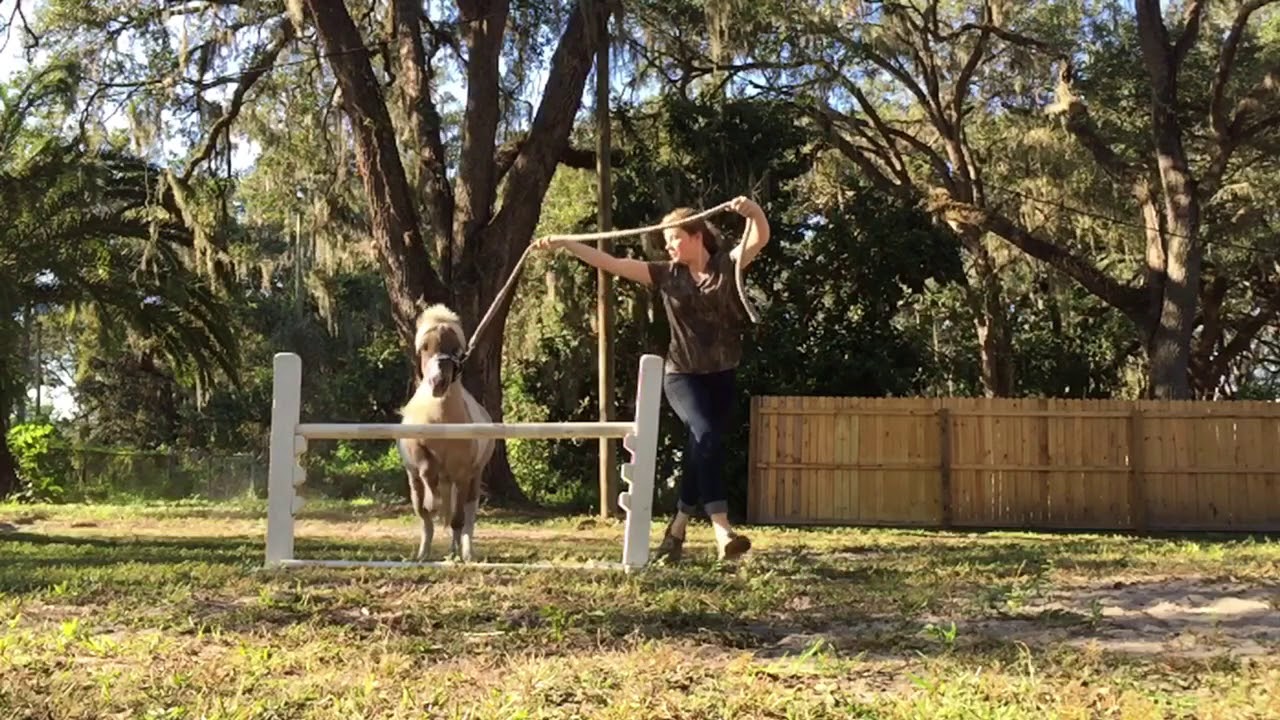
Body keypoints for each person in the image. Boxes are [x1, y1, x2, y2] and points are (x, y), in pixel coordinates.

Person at [531, 195, 771, 563]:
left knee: (700, 448)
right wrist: (566, 243)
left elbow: (759, 238)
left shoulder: (727, 266)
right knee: (704, 435)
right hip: (682, 376)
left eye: (674, 238)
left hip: (722, 375)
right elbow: (610, 263)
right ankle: (723, 530)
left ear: (695, 236)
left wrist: (752, 212)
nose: (669, 246)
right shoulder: (665, 274)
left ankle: (676, 530)